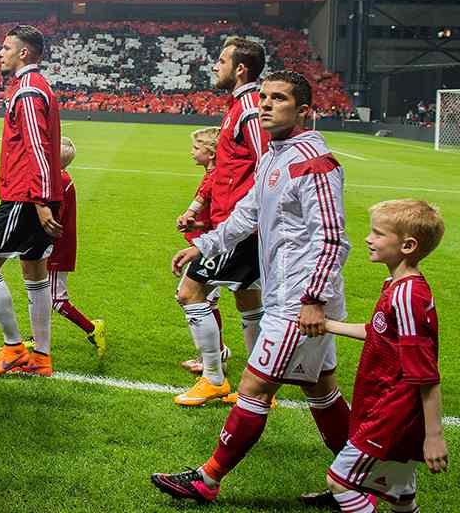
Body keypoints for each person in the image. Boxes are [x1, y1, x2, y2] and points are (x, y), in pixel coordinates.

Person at [151, 71, 353, 503]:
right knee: (322, 391)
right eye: (263, 96)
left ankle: (207, 479)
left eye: (278, 99)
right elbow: (246, 216)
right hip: (289, 295)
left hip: (300, 301)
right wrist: (201, 247)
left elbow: (332, 238)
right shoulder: (274, 157)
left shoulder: (314, 164)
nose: (264, 104)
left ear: (304, 112)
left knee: (254, 387)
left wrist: (314, 299)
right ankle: (357, 483)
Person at [321, 199, 447, 513]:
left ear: (407, 245)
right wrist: (327, 325)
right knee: (401, 499)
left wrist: (434, 437)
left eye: (378, 233)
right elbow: (380, 333)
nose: (368, 238)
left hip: (390, 412)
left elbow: (427, 376)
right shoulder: (397, 285)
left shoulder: (407, 296)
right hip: (387, 408)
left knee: (339, 481)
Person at [171, 37, 270, 406]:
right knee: (247, 298)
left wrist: (237, 225)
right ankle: (263, 385)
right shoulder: (240, 105)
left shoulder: (249, 108)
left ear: (240, 68)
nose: (216, 65)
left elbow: (266, 167)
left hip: (241, 227)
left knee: (190, 292)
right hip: (241, 225)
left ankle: (214, 378)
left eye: (222, 59)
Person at [0, 25, 65, 379]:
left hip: (24, 198)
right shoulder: (40, 87)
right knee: (35, 273)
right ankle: (41, 357)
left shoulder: (27, 91)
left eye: (6, 47)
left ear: (24, 53)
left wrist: (40, 200)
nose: (0, 53)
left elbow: (36, 147)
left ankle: (13, 348)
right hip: (40, 196)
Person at [44, 137, 106, 360]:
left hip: (57, 248)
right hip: (60, 245)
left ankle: (92, 328)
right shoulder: (63, 178)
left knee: (56, 299)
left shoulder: (59, 181)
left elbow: (52, 218)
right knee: (43, 294)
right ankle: (39, 337)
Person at [176, 127, 228, 375]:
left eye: (196, 148)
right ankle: (214, 354)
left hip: (211, 246)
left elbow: (218, 216)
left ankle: (214, 360)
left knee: (192, 297)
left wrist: (193, 219)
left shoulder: (216, 177)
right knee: (204, 300)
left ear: (211, 153)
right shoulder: (212, 175)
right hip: (207, 241)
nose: (191, 152)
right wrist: (194, 222)